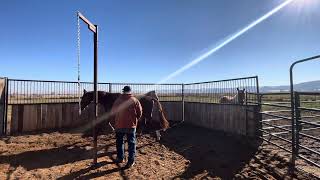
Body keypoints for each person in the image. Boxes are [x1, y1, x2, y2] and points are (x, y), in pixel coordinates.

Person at [111, 86, 142, 168]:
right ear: (130, 91)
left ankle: (120, 158)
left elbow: (113, 112)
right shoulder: (135, 100)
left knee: (119, 142)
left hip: (119, 125)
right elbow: (140, 113)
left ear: (123, 91)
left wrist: (116, 121)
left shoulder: (118, 100)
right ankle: (131, 161)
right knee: (131, 143)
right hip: (131, 126)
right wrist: (134, 120)